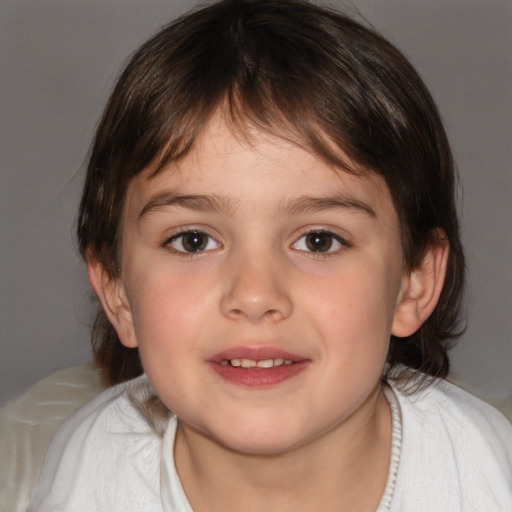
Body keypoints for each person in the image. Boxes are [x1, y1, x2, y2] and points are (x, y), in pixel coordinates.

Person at [28, 0, 512, 510]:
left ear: (412, 283)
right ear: (119, 293)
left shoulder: (485, 472)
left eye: (319, 240)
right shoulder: (93, 470)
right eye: (193, 240)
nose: (255, 296)